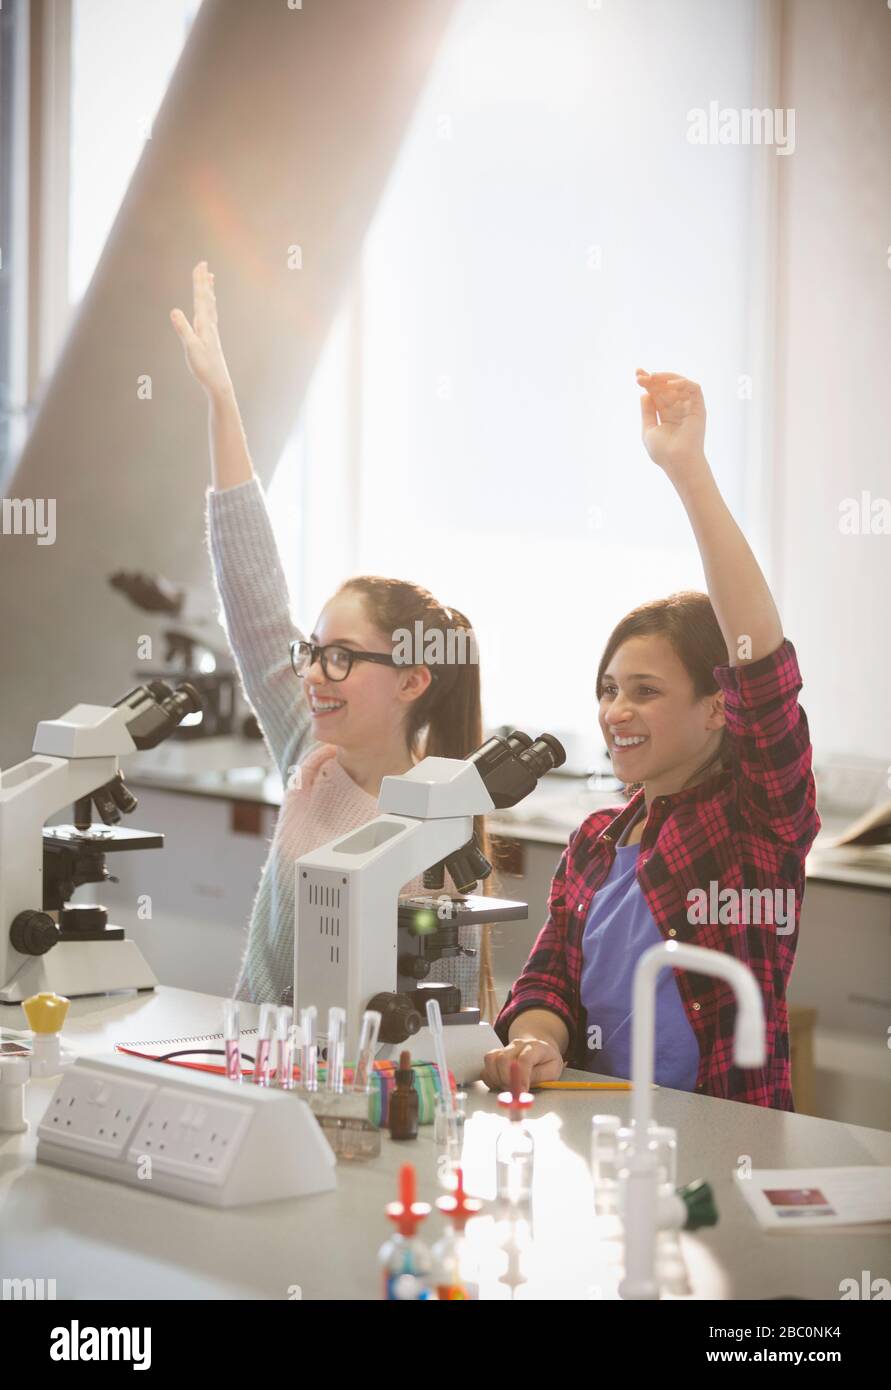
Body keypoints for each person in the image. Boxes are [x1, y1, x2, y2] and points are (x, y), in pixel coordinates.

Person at [483, 369, 820, 1109]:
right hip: (602, 1133)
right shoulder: (595, 843)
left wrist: (687, 471)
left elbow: (758, 662)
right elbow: (549, 984)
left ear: (715, 708)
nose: (615, 712)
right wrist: (537, 1039)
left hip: (726, 1138)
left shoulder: (754, 819)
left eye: (644, 691)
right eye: (607, 690)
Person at [170, 261, 496, 1015]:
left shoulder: (436, 829)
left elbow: (444, 1017)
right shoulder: (308, 757)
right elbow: (253, 602)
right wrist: (222, 402)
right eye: (315, 651)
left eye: (342, 656)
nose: (315, 673)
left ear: (414, 678)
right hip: (254, 1062)